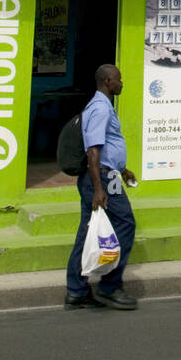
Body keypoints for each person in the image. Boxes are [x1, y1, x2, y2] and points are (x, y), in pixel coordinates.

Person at [65, 63, 138, 310]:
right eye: (118, 79)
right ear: (108, 82)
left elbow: (105, 147)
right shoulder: (100, 108)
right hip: (103, 178)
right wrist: (99, 188)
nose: (121, 83)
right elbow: (93, 150)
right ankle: (109, 287)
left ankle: (76, 291)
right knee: (126, 223)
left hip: (108, 175)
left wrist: (123, 170)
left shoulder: (102, 106)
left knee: (87, 232)